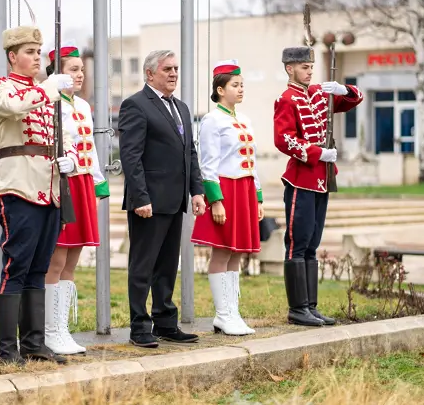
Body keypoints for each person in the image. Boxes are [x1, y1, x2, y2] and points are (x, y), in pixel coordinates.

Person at [0, 24, 76, 365]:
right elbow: (12, 107)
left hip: (50, 188)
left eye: (39, 52)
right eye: (29, 52)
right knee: (16, 265)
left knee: (39, 267)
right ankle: (7, 349)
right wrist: (49, 89)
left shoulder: (45, 93)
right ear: (12, 56)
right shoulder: (2, 88)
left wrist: (68, 158)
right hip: (18, 185)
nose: (37, 58)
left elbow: (59, 137)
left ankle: (34, 344)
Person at [118, 50, 206, 348]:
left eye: (176, 68)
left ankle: (166, 322)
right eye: (167, 69)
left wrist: (197, 190)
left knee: (167, 265)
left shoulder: (180, 108)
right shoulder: (135, 105)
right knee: (143, 266)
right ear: (149, 73)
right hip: (148, 203)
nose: (173, 73)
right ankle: (139, 326)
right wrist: (140, 197)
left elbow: (189, 152)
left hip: (175, 200)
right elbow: (130, 156)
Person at [273, 45, 363, 327]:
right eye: (304, 67)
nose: (309, 71)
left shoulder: (317, 95)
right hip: (301, 179)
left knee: (312, 243)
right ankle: (297, 309)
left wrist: (342, 90)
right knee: (297, 244)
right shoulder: (286, 99)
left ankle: (311, 306)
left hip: (322, 181)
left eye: (311, 67)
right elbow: (283, 139)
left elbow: (354, 100)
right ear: (290, 69)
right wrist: (316, 153)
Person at [45, 41, 110, 355]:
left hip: (83, 183)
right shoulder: (49, 102)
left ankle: (62, 328)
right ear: (58, 72)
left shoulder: (83, 106)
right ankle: (49, 330)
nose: (80, 74)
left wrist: (99, 185)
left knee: (73, 258)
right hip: (63, 184)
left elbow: (91, 149)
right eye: (73, 69)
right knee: (57, 258)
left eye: (82, 69)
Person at [191, 60, 263, 336]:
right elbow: (208, 163)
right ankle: (222, 314)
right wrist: (215, 200)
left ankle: (232, 312)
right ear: (220, 89)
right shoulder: (212, 120)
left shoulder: (244, 119)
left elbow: (252, 162)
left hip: (243, 190)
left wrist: (257, 198)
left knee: (237, 251)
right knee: (222, 250)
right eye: (235, 85)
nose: (241, 89)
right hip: (225, 190)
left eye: (242, 84)